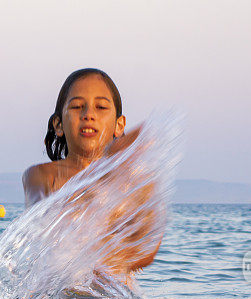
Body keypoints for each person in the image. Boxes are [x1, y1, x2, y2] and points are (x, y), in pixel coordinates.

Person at [22, 68, 160, 278]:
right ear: (58, 125)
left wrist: (146, 189)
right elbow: (42, 227)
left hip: (113, 298)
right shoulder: (42, 175)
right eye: (77, 106)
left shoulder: (130, 182)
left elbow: (147, 251)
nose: (89, 115)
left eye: (101, 107)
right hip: (58, 293)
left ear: (119, 125)